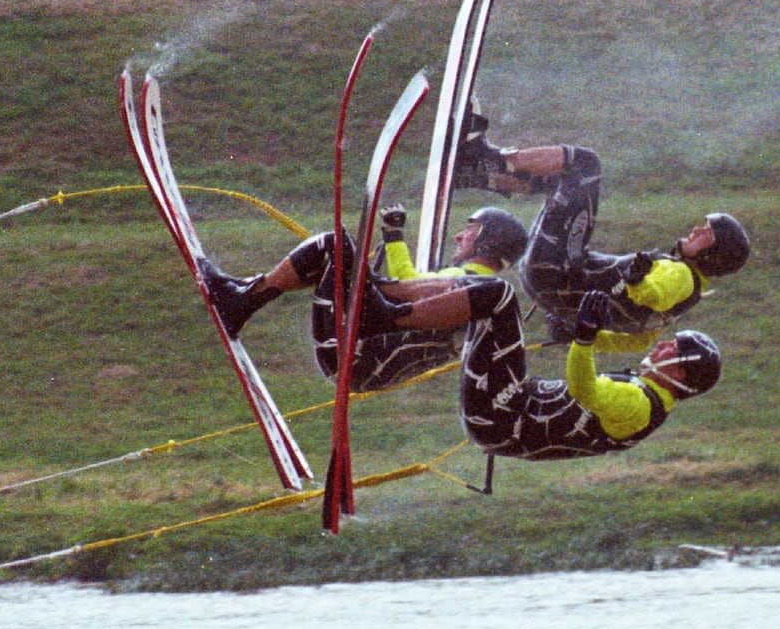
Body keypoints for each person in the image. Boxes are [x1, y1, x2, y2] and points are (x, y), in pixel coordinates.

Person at [454, 114, 749, 350]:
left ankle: (483, 160)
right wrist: (579, 331)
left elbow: (653, 294)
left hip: (557, 271)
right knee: (562, 185)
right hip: (549, 288)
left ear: (713, 257)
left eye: (707, 234)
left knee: (585, 164)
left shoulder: (681, 277)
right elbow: (637, 341)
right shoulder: (682, 303)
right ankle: (479, 175)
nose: (697, 230)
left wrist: (636, 281)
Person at [358, 277, 720, 460]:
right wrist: (572, 330)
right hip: (505, 412)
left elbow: (584, 389)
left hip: (502, 414)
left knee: (497, 296)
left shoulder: (638, 405)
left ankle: (381, 317)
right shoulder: (644, 394)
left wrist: (583, 339)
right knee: (479, 290)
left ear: (681, 374)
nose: (663, 345)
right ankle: (385, 292)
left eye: (674, 348)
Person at [197, 205, 529, 392]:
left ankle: (243, 301)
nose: (460, 235)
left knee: (336, 246)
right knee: (340, 259)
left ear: (489, 240)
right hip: (366, 366)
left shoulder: (467, 283)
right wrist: (369, 273)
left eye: (470, 229)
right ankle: (243, 296)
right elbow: (408, 289)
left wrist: (383, 253)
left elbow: (407, 285)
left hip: (359, 351)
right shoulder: (476, 291)